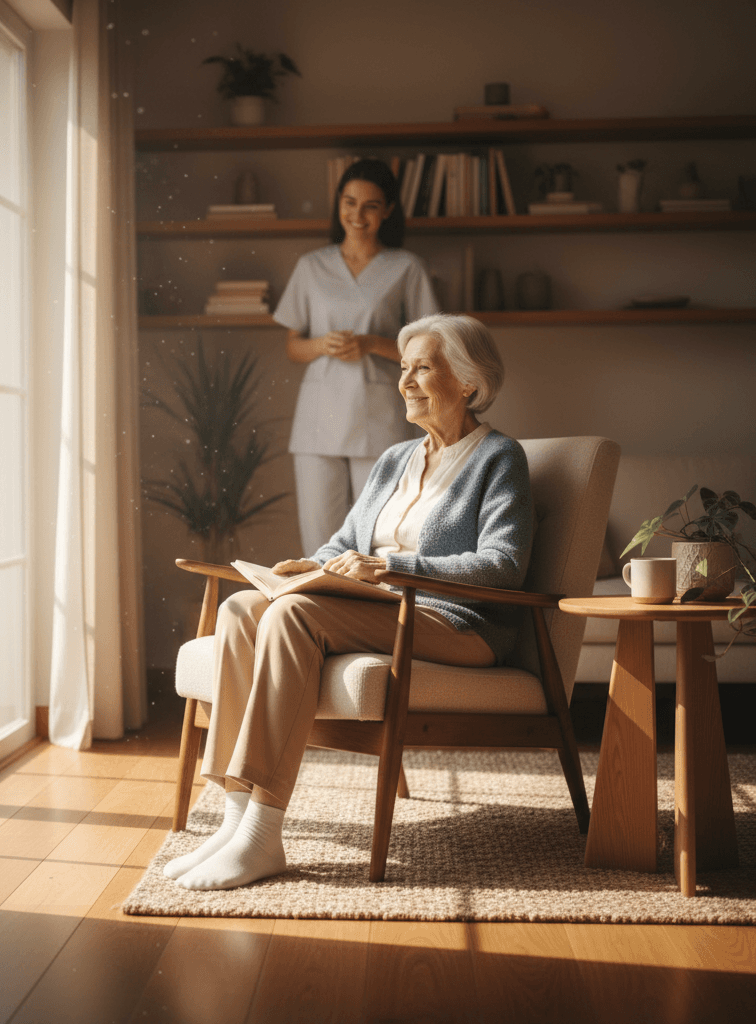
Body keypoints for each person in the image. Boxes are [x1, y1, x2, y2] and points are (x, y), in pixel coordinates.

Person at [163, 313, 533, 891]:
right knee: (241, 609)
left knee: (293, 614)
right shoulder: (395, 460)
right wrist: (311, 565)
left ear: (467, 382)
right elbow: (344, 543)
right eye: (403, 369)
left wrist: (390, 567)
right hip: (380, 610)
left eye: (422, 369)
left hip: (455, 623)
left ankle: (264, 834)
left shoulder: (499, 458)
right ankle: (235, 822)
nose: (405, 381)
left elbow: (503, 565)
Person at [273, 157, 439, 558]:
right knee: (318, 539)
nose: (357, 215)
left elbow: (430, 347)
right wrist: (321, 345)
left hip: (379, 416)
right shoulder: (311, 267)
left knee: (378, 537)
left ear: (388, 211)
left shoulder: (407, 268)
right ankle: (315, 616)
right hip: (319, 420)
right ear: (338, 205)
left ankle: (371, 619)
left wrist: (370, 344)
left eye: (370, 205)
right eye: (349, 203)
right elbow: (293, 346)